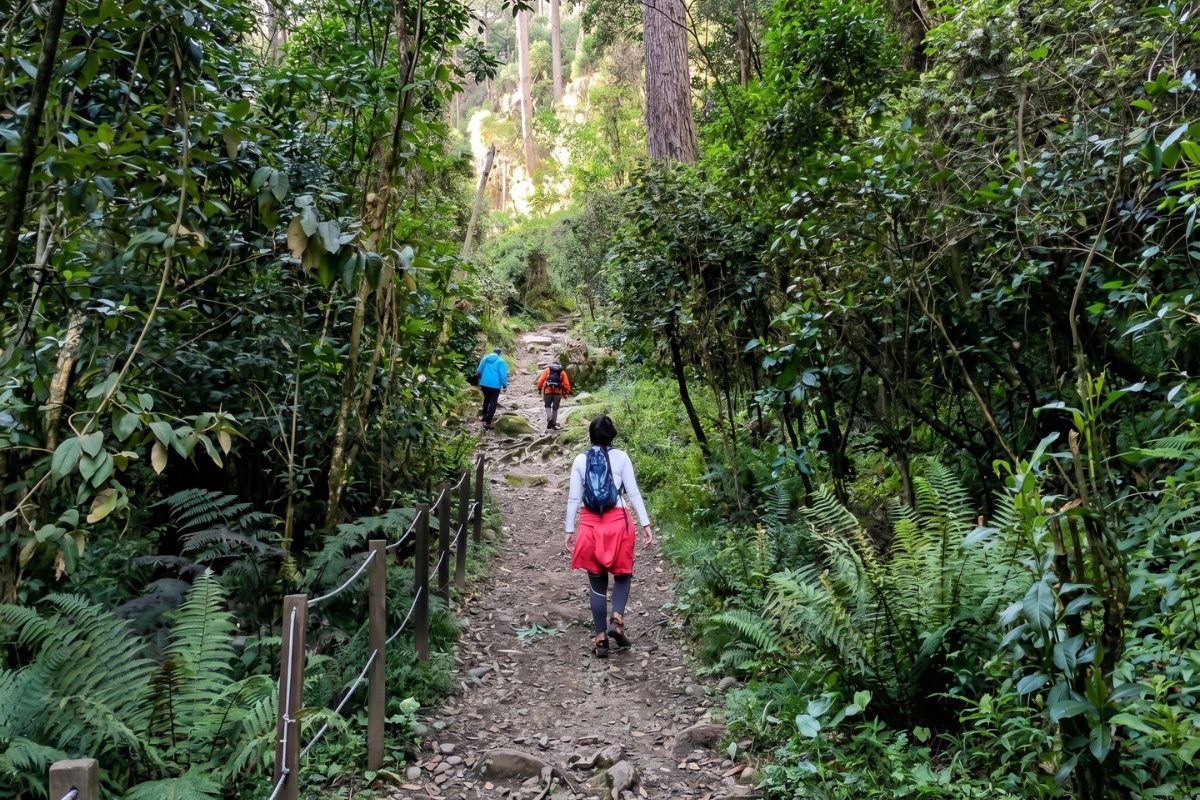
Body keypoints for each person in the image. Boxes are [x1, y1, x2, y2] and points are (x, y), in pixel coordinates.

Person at [563, 414, 653, 658]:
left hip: (590, 524)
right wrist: (645, 523)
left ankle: (601, 639)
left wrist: (569, 530)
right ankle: (617, 620)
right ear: (612, 434)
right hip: (619, 522)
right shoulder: (622, 457)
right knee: (623, 573)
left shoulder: (580, 460)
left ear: (591, 435)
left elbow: (574, 498)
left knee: (596, 582)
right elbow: (633, 493)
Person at [476, 347, 508, 429]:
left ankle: (484, 416)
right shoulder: (501, 361)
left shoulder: (485, 358)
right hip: (495, 385)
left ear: (493, 352)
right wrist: (504, 385)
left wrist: (481, 378)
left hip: (484, 383)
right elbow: (503, 375)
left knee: (486, 399)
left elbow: (479, 371)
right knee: (493, 402)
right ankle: (488, 422)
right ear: (499, 354)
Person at [535, 360, 571, 430]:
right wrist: (566, 393)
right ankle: (553, 424)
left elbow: (541, 381)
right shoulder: (562, 372)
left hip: (548, 391)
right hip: (558, 393)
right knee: (555, 408)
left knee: (547, 406)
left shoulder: (547, 370)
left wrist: (539, 389)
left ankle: (549, 418)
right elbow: (566, 384)